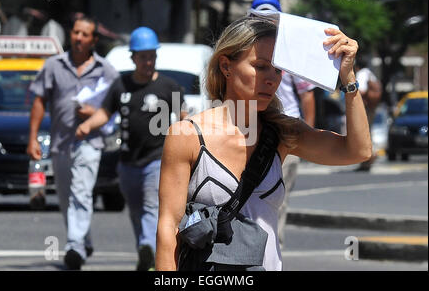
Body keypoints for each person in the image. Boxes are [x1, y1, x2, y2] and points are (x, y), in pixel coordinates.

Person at [155, 16, 371, 271]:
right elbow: (169, 227)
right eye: (260, 67)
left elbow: (358, 151)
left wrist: (348, 79)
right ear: (226, 66)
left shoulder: (282, 132)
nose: (272, 79)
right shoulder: (187, 135)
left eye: (277, 69)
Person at [76, 26, 187, 271]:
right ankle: (145, 252)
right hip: (127, 163)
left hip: (157, 159)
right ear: (133, 57)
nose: (148, 61)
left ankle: (149, 248)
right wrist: (87, 125)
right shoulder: (121, 84)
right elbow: (105, 113)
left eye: (152, 56)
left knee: (151, 207)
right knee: (136, 211)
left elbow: (184, 118)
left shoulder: (169, 87)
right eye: (143, 56)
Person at [27, 15, 119, 270]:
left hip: (90, 142)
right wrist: (33, 138)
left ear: (94, 40)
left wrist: (95, 114)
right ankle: (84, 240)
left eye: (84, 34)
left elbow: (117, 106)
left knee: (81, 192)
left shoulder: (105, 70)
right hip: (60, 143)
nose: (78, 38)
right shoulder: (53, 66)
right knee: (67, 198)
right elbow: (38, 101)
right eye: (75, 32)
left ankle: (74, 247)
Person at [251, 0, 317, 247]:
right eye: (259, 17)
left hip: (286, 135)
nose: (266, 22)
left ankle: (271, 256)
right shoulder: (246, 49)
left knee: (277, 202)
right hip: (251, 132)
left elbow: (307, 95)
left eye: (271, 17)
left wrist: (305, 137)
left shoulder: (290, 52)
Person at [355, 58, 382, 171]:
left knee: (362, 132)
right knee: (366, 131)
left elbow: (362, 90)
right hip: (372, 107)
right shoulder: (370, 73)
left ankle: (370, 155)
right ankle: (365, 162)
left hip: (365, 107)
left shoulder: (361, 74)